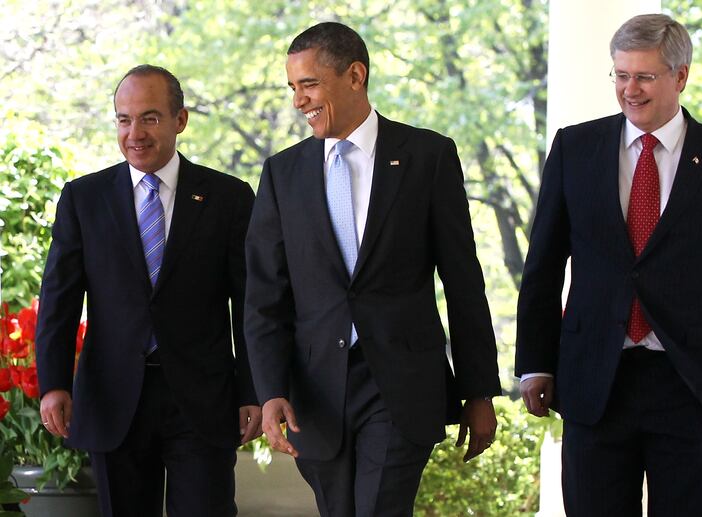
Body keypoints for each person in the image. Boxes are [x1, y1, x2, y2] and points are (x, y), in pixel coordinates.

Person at [515, 13, 702, 517]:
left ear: (681, 76)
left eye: (644, 76)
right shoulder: (575, 148)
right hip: (595, 380)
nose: (629, 90)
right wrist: (535, 361)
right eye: (620, 75)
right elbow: (543, 266)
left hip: (689, 384)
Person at [245, 21, 501, 517]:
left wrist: (478, 389)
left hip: (401, 384)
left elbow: (464, 281)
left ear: (356, 75)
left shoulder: (428, 157)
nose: (299, 101)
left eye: (310, 84)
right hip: (316, 393)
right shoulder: (282, 173)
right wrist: (270, 389)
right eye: (293, 88)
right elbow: (265, 297)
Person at [35, 64, 262, 517]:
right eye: (124, 119)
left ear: (181, 120)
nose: (134, 133)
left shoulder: (229, 197)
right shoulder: (83, 198)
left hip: (202, 400)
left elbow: (251, 305)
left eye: (150, 118)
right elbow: (59, 299)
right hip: (113, 397)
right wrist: (54, 383)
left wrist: (252, 389)